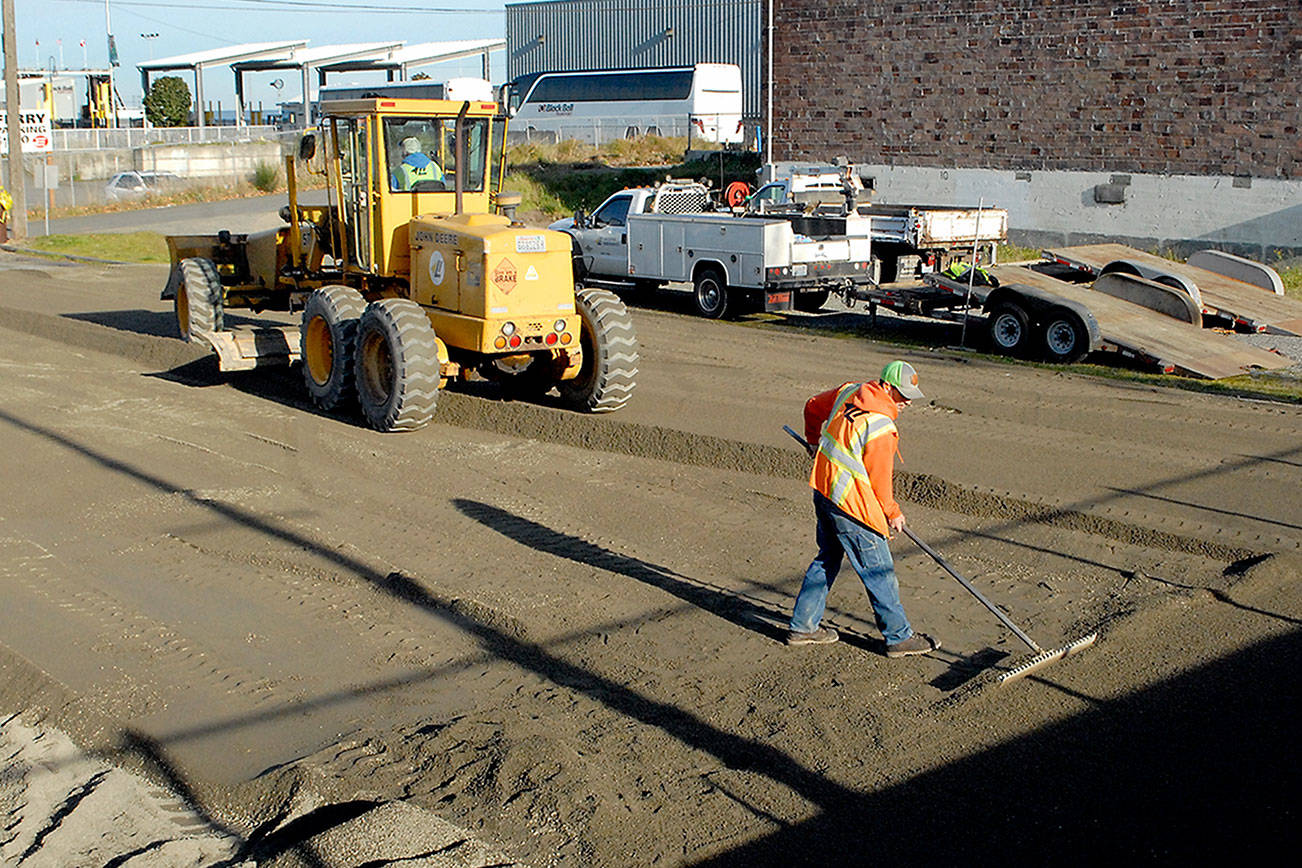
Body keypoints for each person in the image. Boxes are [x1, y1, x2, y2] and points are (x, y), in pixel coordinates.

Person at [786, 360, 940, 658]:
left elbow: (812, 406)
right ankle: (898, 637)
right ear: (885, 386)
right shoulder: (881, 427)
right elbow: (880, 481)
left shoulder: (849, 391)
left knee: (827, 558)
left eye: (910, 395)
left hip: (825, 491)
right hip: (852, 507)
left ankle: (803, 627)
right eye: (901, 394)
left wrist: (813, 441)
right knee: (879, 570)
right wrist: (892, 512)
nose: (907, 401)